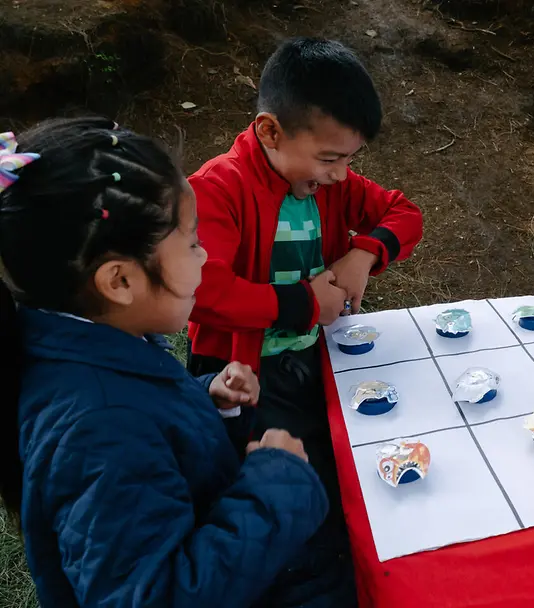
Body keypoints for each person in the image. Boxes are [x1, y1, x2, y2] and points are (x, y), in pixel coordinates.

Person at [0, 118, 328, 606]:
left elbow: (149, 429)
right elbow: (154, 595)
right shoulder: (99, 430)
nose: (205, 256)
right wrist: (275, 483)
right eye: (193, 242)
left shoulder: (95, 348)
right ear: (119, 281)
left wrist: (208, 400)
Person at [186, 38, 423, 602]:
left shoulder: (323, 185)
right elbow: (203, 289)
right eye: (329, 158)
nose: (341, 177)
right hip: (238, 379)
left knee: (355, 467)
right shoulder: (218, 188)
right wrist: (302, 304)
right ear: (270, 131)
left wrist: (364, 252)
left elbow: (404, 213)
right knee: (286, 506)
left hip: (316, 361)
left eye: (349, 160)